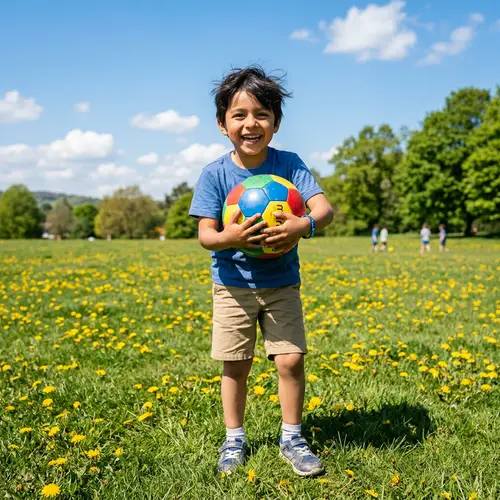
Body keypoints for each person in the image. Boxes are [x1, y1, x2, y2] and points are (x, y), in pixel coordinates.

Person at [189, 65, 334, 477]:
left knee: (290, 360)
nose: (250, 123)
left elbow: (323, 210)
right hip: (232, 285)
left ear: (275, 122)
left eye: (261, 114)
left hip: (281, 282)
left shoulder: (289, 165)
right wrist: (231, 236)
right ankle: (234, 438)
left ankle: (293, 436)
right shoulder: (215, 174)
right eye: (239, 115)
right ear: (222, 125)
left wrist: (301, 225)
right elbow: (205, 235)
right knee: (236, 363)